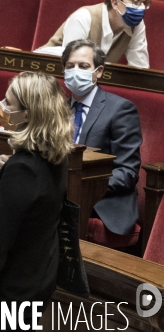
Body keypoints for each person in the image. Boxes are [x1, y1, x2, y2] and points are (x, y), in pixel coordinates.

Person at [0, 71, 72, 331]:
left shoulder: (22, 168)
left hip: (6, 293)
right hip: (34, 282)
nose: (1, 106)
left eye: (8, 103)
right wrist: (3, 173)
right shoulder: (54, 156)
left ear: (29, 114)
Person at [63, 39, 142, 236]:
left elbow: (127, 172)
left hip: (102, 203)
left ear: (98, 71)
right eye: (70, 66)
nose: (75, 71)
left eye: (83, 66)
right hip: (59, 195)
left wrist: (79, 185)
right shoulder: (57, 109)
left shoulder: (120, 109)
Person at [40, 0, 150, 68]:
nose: (141, 8)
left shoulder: (136, 25)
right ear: (115, 3)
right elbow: (71, 68)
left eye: (144, 2)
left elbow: (139, 69)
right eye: (136, 1)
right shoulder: (83, 18)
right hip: (45, 74)